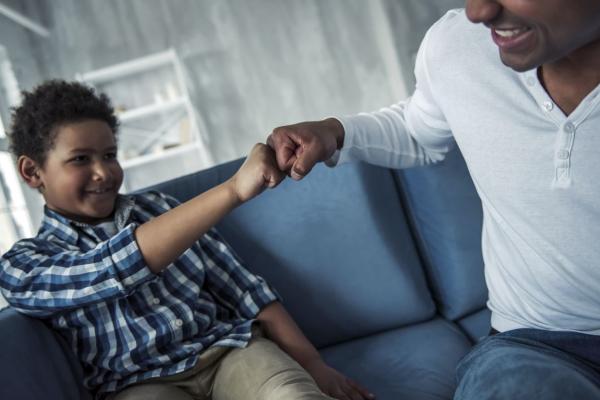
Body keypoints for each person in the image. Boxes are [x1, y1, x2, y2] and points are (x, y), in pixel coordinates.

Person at [267, 0, 600, 398]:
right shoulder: (459, 46)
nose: (479, 11)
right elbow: (418, 129)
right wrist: (333, 133)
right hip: (535, 344)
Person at [0, 80, 374, 400]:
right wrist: (231, 191)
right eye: (80, 159)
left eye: (110, 155)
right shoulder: (23, 264)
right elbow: (108, 269)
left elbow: (245, 290)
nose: (103, 172)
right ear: (33, 171)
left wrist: (312, 365)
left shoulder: (162, 208)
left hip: (228, 352)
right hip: (137, 386)